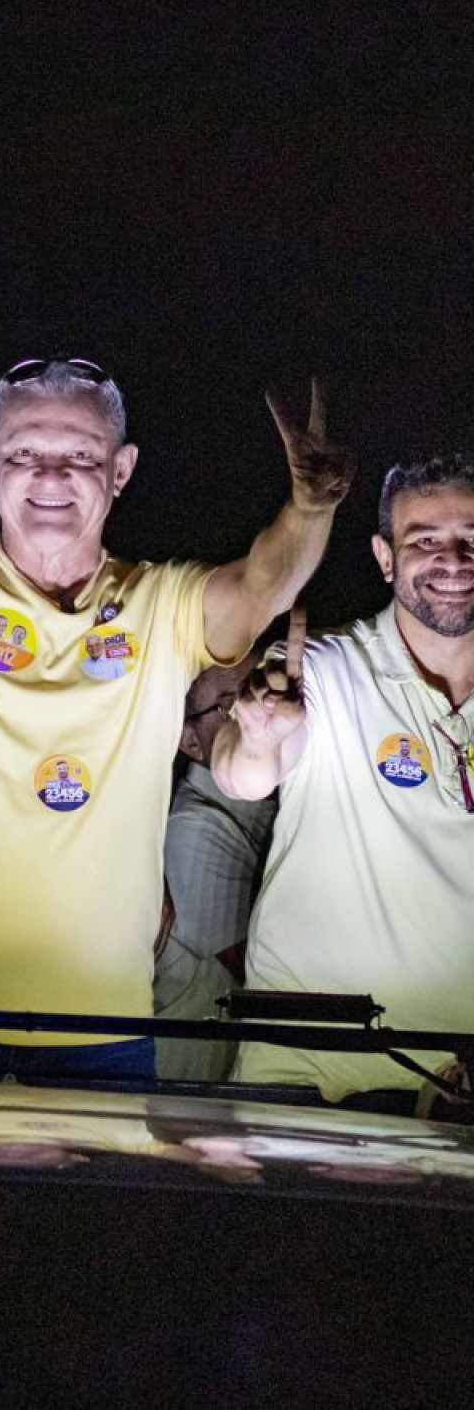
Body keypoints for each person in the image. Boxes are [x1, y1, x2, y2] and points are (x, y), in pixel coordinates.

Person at [0, 353, 351, 1076]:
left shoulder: (163, 603)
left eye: (81, 456)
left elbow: (259, 588)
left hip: (101, 1022)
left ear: (120, 472)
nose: (53, 476)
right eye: (26, 452)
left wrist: (310, 510)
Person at [215, 456, 474, 1106]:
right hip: (309, 1091)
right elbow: (241, 772)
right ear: (385, 557)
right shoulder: (326, 670)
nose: (453, 559)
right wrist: (257, 737)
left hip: (454, 1101)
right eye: (425, 541)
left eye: (470, 537)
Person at [155, 654, 276, 1082]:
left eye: (260, 691)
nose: (257, 713)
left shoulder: (251, 811)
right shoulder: (196, 828)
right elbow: (256, 964)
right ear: (190, 741)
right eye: (229, 706)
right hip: (194, 1078)